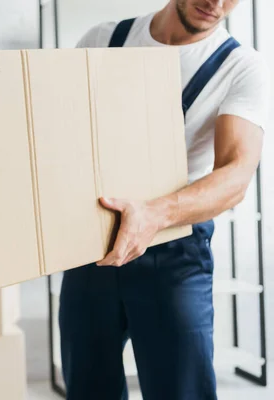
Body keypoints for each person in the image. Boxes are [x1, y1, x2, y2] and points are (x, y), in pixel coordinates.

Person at [59, 0, 269, 399]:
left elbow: (235, 177)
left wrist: (153, 214)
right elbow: (63, 134)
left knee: (180, 391)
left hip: (174, 251)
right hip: (90, 246)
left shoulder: (241, 68)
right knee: (87, 388)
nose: (216, 3)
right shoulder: (102, 41)